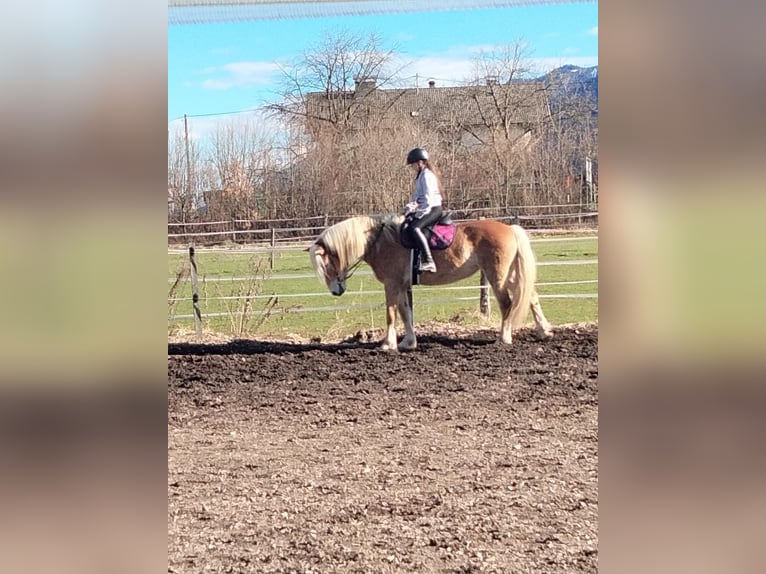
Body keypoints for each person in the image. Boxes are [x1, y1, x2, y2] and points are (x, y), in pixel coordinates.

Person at [403, 147, 443, 273]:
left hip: (433, 209)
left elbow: (428, 199)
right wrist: (411, 207)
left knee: (415, 228)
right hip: (427, 208)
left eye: (413, 164)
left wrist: (419, 214)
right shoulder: (420, 176)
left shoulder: (427, 176)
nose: (412, 167)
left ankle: (429, 261)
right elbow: (419, 197)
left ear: (420, 162)